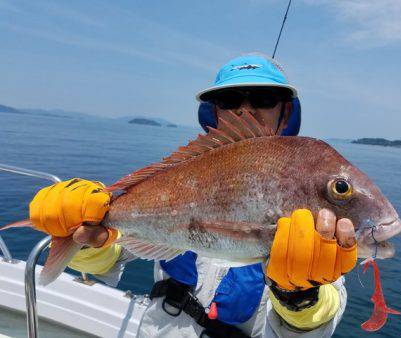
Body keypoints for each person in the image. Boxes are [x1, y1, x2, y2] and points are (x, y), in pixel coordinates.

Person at [29, 54, 357, 338]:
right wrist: (82, 237)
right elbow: (114, 254)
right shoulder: (180, 176)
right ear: (214, 112)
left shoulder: (308, 188)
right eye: (230, 101)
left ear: (285, 112)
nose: (245, 110)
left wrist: (299, 296)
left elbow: (315, 325)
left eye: (263, 98)